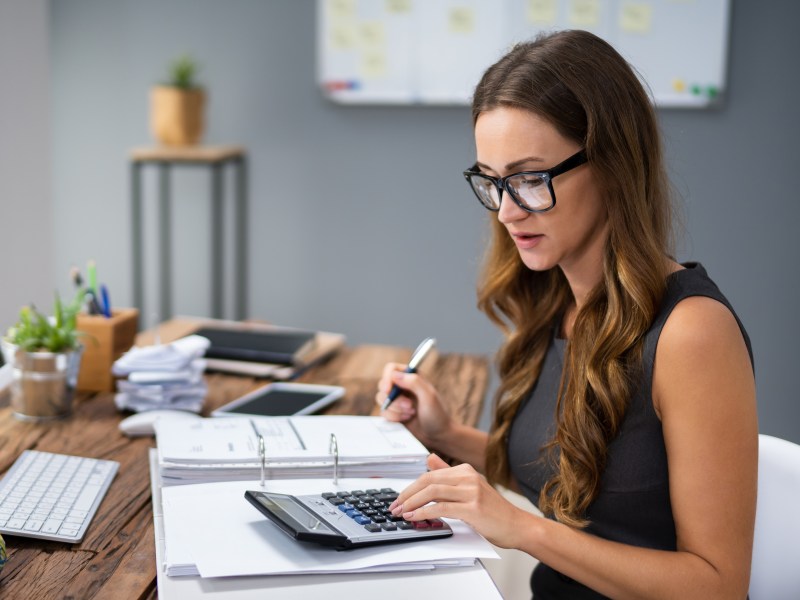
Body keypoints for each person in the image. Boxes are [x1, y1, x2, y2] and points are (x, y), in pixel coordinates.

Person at [376, 30, 757, 599]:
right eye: (493, 181)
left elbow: (717, 587)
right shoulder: (561, 303)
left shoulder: (691, 333)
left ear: (611, 165)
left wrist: (523, 530)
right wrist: (447, 435)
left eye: (530, 179)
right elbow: (573, 482)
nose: (507, 211)